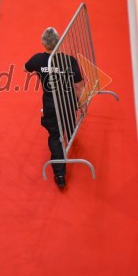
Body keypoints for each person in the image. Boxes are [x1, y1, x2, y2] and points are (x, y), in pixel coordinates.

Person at [24, 27, 85, 188]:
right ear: (59, 41)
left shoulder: (37, 60)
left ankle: (59, 174)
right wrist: (83, 103)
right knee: (69, 117)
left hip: (51, 103)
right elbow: (79, 86)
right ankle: (71, 132)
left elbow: (25, 68)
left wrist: (41, 71)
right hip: (69, 100)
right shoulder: (69, 60)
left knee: (55, 136)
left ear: (43, 43)